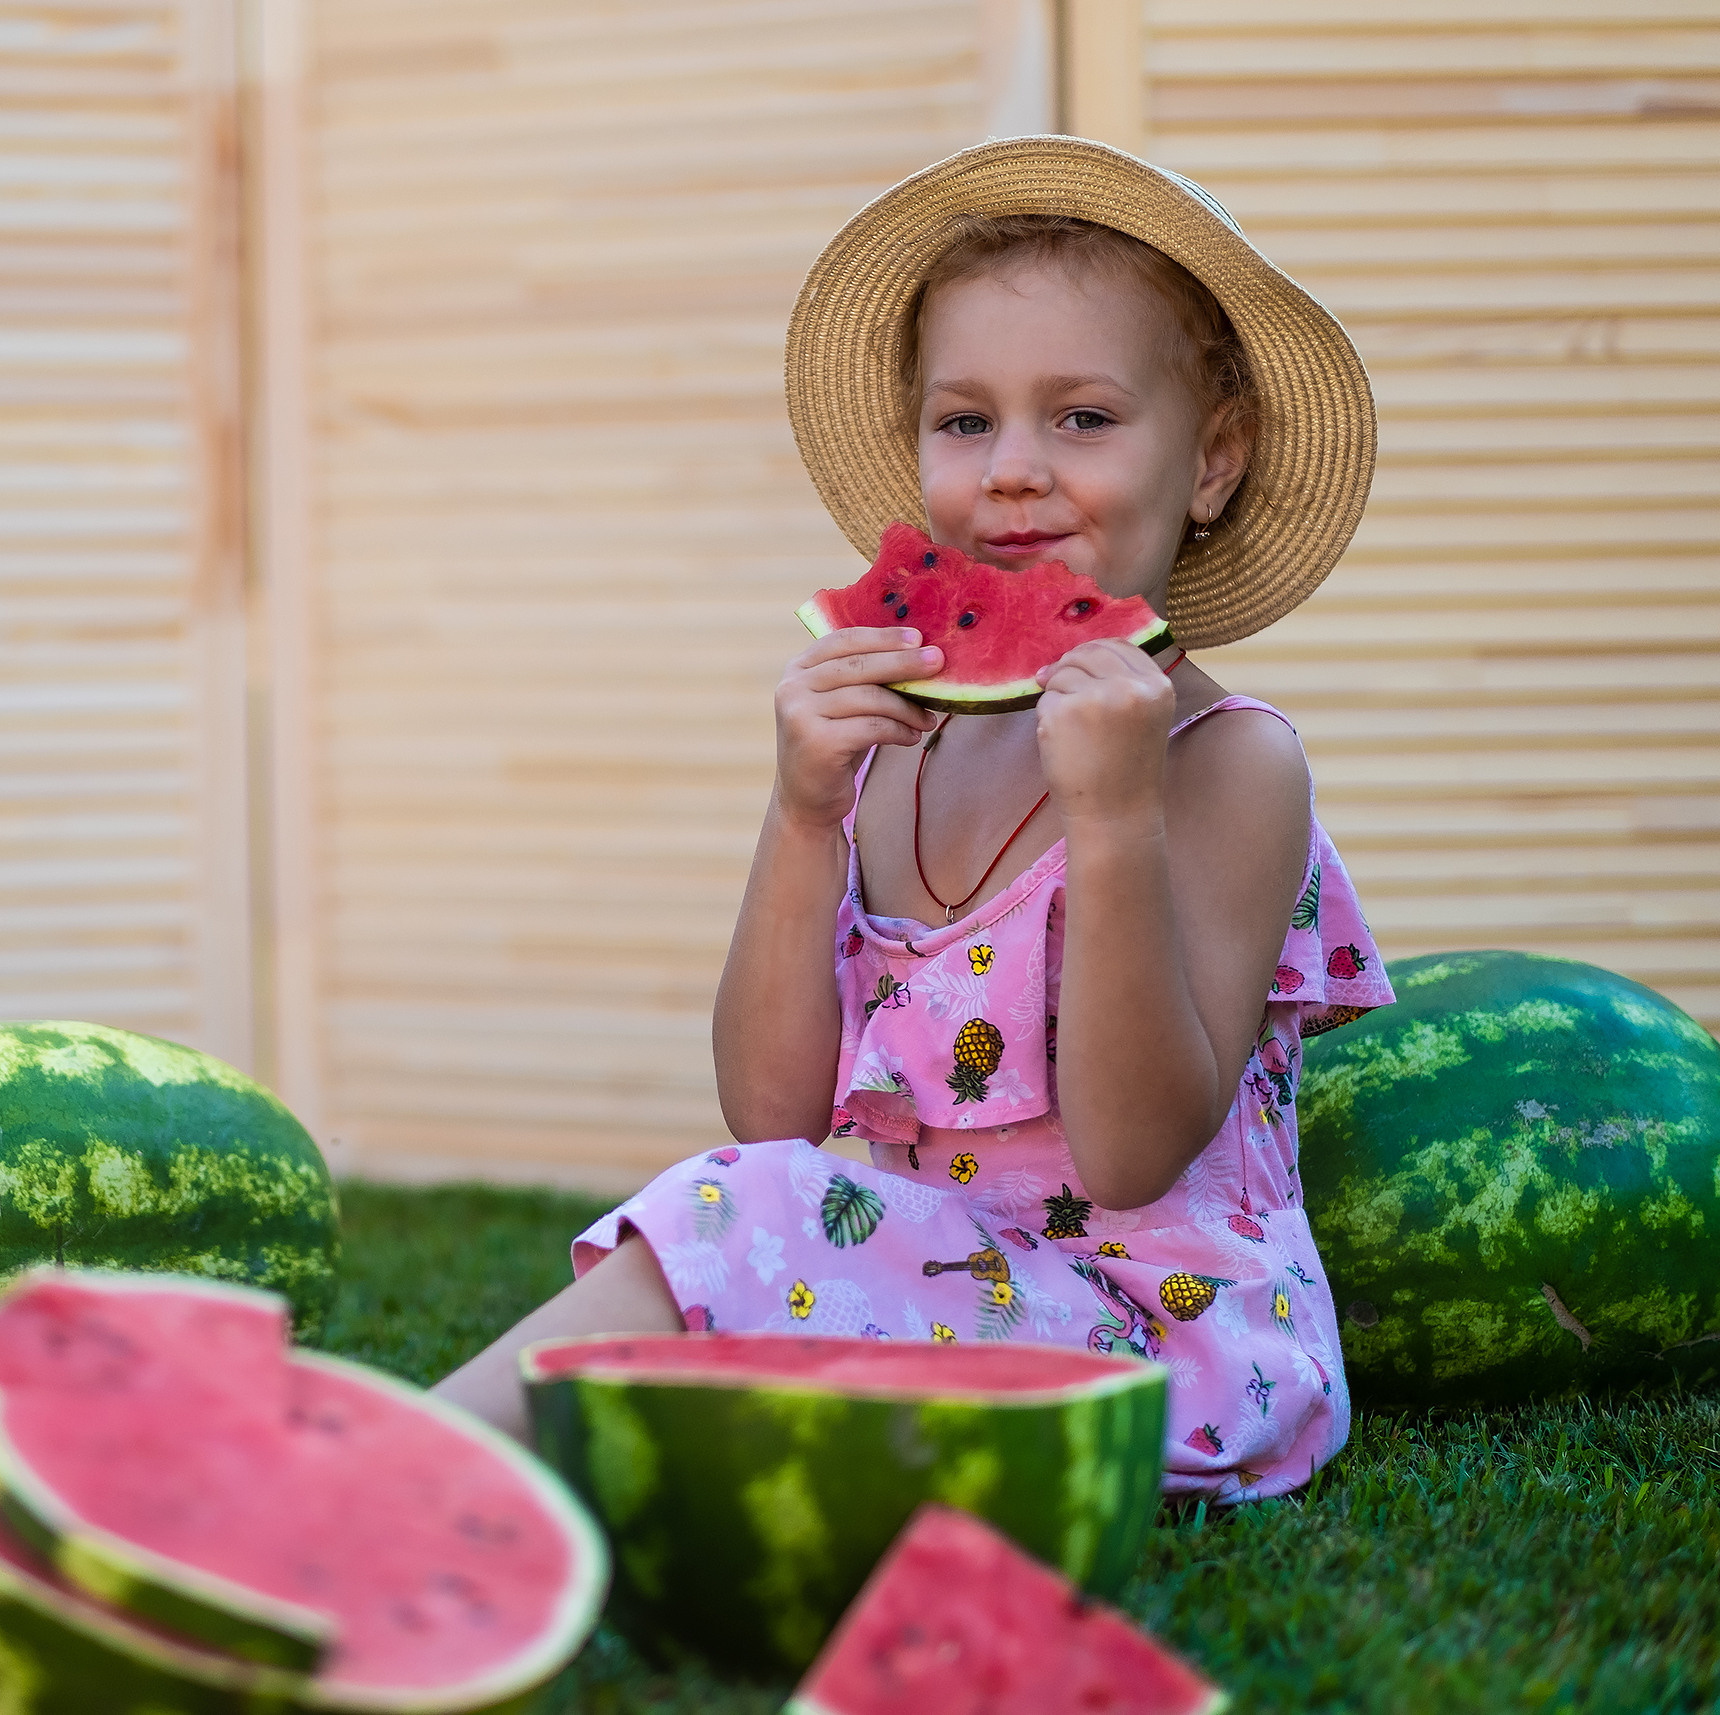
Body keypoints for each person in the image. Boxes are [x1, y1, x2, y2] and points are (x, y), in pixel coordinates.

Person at [435, 136, 1396, 1504]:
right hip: (933, 1295)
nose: (1012, 469)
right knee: (746, 1217)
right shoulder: (905, 743)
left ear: (1214, 463)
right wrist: (800, 817)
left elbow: (1130, 1151)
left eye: (1083, 419)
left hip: (1158, 1359)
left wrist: (1114, 820)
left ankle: (379, 1466)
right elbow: (772, 1113)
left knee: (740, 1219)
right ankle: (439, 1484)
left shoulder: (1233, 767)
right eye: (965, 421)